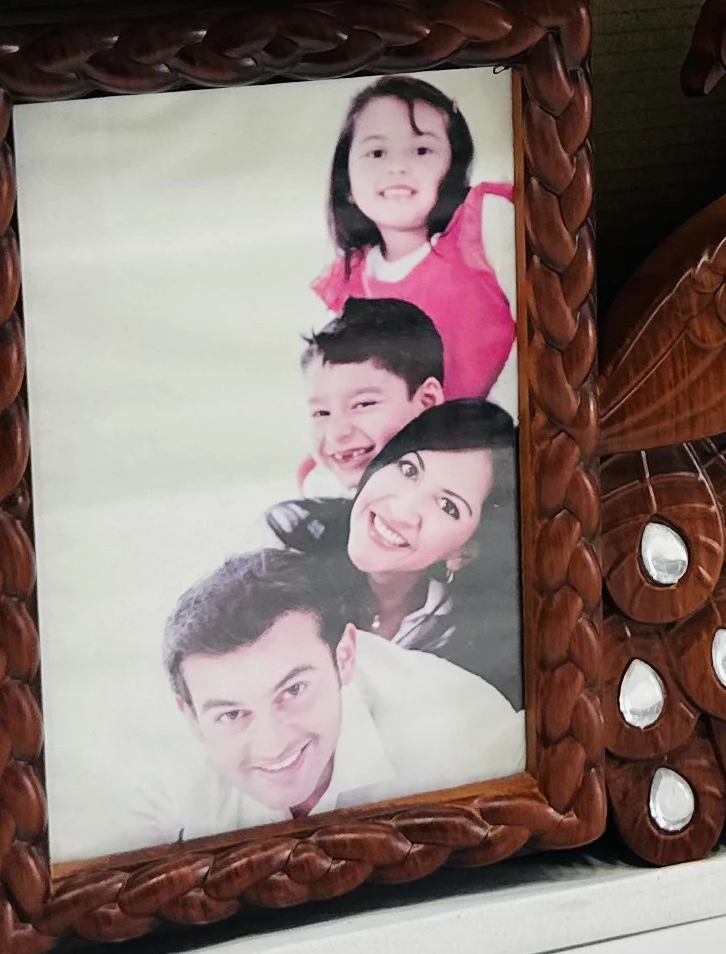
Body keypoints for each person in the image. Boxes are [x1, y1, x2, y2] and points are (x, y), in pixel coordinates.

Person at [130, 547, 521, 846]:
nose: (272, 744)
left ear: (344, 656)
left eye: (293, 690)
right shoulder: (166, 792)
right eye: (231, 715)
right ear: (192, 718)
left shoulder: (464, 744)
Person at [272, 400, 523, 706]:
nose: (402, 511)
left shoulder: (464, 656)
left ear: (464, 552)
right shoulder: (281, 539)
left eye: (448, 506)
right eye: (408, 469)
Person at [311, 76, 516, 406]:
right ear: (346, 183)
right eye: (377, 152)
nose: (397, 167)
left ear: (453, 168)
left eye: (422, 150)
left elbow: (543, 329)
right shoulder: (349, 283)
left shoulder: (485, 221)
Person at [295, 296, 448, 496]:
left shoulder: (465, 488)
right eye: (321, 413)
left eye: (363, 404)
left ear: (427, 401)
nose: (337, 433)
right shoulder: (316, 493)